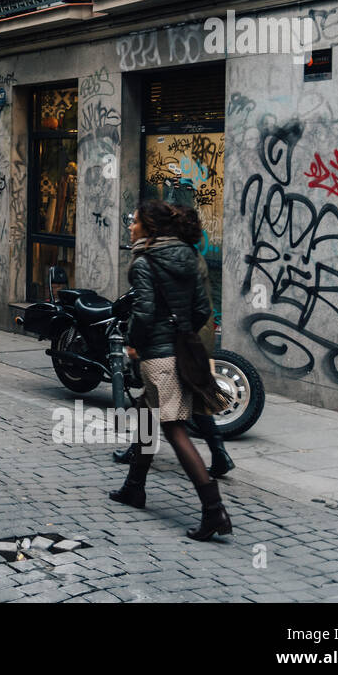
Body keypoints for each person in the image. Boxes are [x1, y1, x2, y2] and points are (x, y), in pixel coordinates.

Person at [109, 199, 234, 541]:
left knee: (175, 429)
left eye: (135, 222)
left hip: (158, 356)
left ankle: (214, 511)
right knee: (149, 418)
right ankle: (134, 487)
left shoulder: (144, 262)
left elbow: (145, 313)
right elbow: (202, 309)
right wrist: (183, 335)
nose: (131, 227)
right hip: (179, 349)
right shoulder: (191, 256)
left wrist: (135, 342)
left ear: (149, 228)